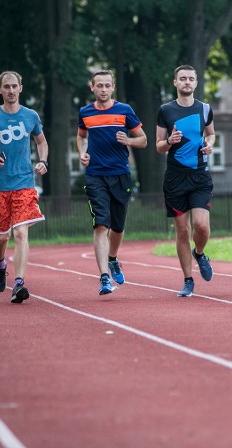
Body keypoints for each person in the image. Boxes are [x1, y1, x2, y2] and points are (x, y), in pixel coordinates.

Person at [0, 70, 48, 304]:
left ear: (21, 88)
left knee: (21, 232)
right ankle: (0, 265)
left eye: (15, 86)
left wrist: (42, 161)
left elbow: (41, 141)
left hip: (24, 182)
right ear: (0, 90)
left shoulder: (31, 116)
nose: (11, 91)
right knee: (3, 236)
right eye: (7, 87)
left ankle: (19, 283)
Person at [77, 70, 148, 296]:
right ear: (92, 87)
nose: (104, 89)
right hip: (95, 175)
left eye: (107, 85)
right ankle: (104, 277)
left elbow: (144, 140)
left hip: (120, 174)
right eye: (99, 86)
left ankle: (113, 258)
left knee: (118, 227)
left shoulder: (125, 111)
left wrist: (128, 140)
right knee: (101, 225)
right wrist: (82, 153)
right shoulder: (85, 112)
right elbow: (81, 136)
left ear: (113, 87)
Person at [155, 65, 215, 297]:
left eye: (191, 79)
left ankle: (199, 253)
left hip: (199, 175)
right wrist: (170, 140)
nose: (187, 82)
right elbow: (159, 146)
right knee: (182, 230)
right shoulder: (165, 110)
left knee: (201, 225)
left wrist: (210, 143)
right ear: (175, 83)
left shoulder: (205, 108)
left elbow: (210, 133)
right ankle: (188, 279)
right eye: (182, 79)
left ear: (196, 83)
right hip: (175, 178)